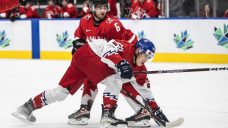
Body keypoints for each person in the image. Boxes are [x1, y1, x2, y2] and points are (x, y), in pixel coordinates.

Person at [12, 38, 169, 128]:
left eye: (149, 58)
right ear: (137, 51)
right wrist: (121, 63)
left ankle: (27, 107)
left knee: (61, 92)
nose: (146, 60)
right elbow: (109, 48)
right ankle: (107, 116)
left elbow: (146, 92)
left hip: (81, 59)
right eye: (145, 56)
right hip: (90, 54)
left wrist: (157, 111)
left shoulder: (140, 69)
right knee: (115, 80)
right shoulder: (126, 47)